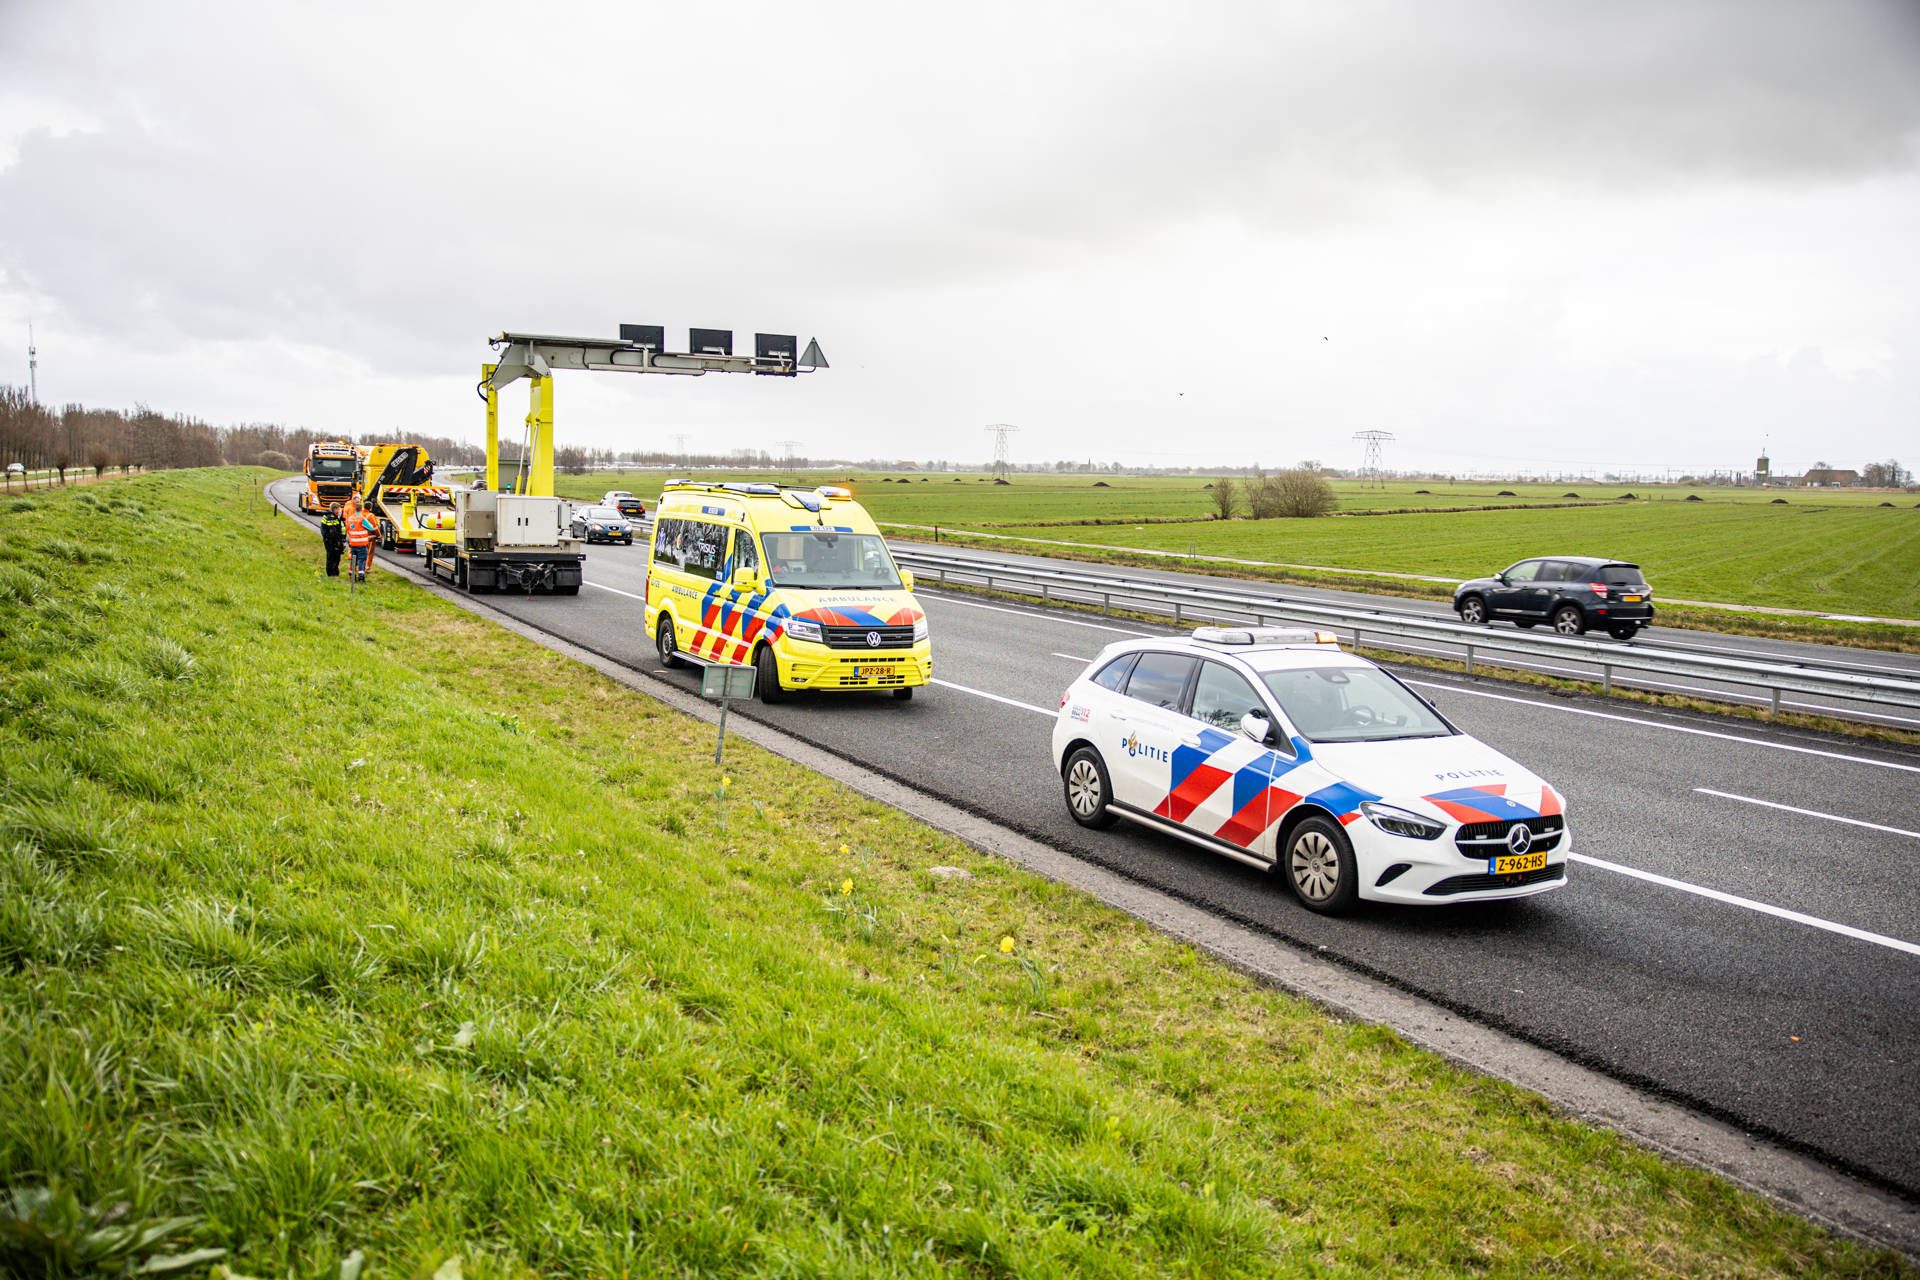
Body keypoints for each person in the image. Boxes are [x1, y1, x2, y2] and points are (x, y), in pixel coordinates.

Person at [344, 500, 379, 583]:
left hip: (353, 543)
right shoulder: (362, 519)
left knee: (354, 559)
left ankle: (352, 575)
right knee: (361, 560)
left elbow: (347, 529)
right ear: (361, 509)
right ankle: (361, 577)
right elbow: (371, 528)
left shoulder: (350, 518)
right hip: (361, 543)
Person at [319, 502, 346, 577]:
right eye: (338, 509)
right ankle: (330, 573)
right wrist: (329, 539)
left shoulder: (338, 518)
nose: (340, 511)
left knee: (337, 557)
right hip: (330, 541)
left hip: (338, 541)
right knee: (331, 556)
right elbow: (326, 531)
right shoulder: (328, 518)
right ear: (334, 509)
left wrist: (342, 540)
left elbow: (342, 529)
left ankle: (335, 572)